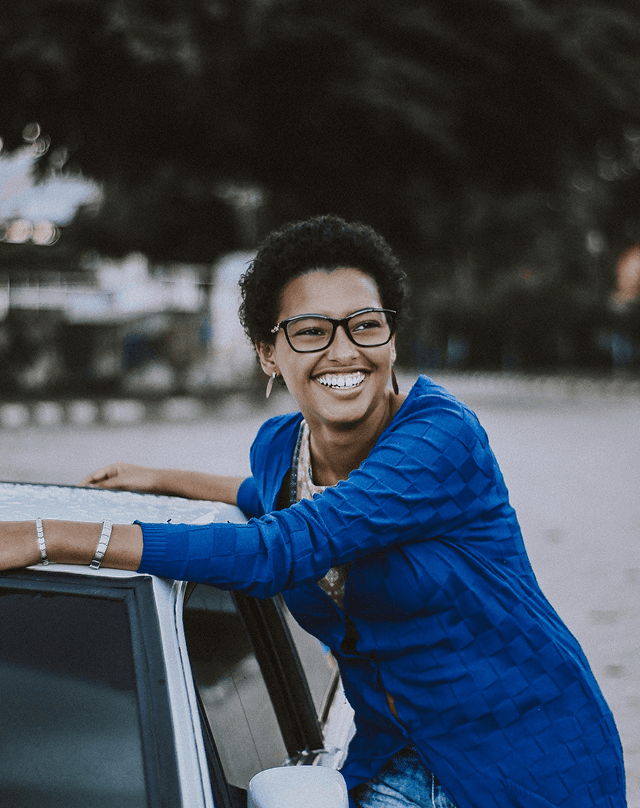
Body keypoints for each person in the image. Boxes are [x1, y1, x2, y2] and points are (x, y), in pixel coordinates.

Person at [0, 215, 627, 808]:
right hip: (397, 755)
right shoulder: (278, 449)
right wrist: (164, 478)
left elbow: (281, 546)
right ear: (268, 353)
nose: (343, 350)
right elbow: (275, 500)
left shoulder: (441, 440)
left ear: (390, 336)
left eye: (365, 324)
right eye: (309, 331)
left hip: (530, 753)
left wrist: (49, 537)